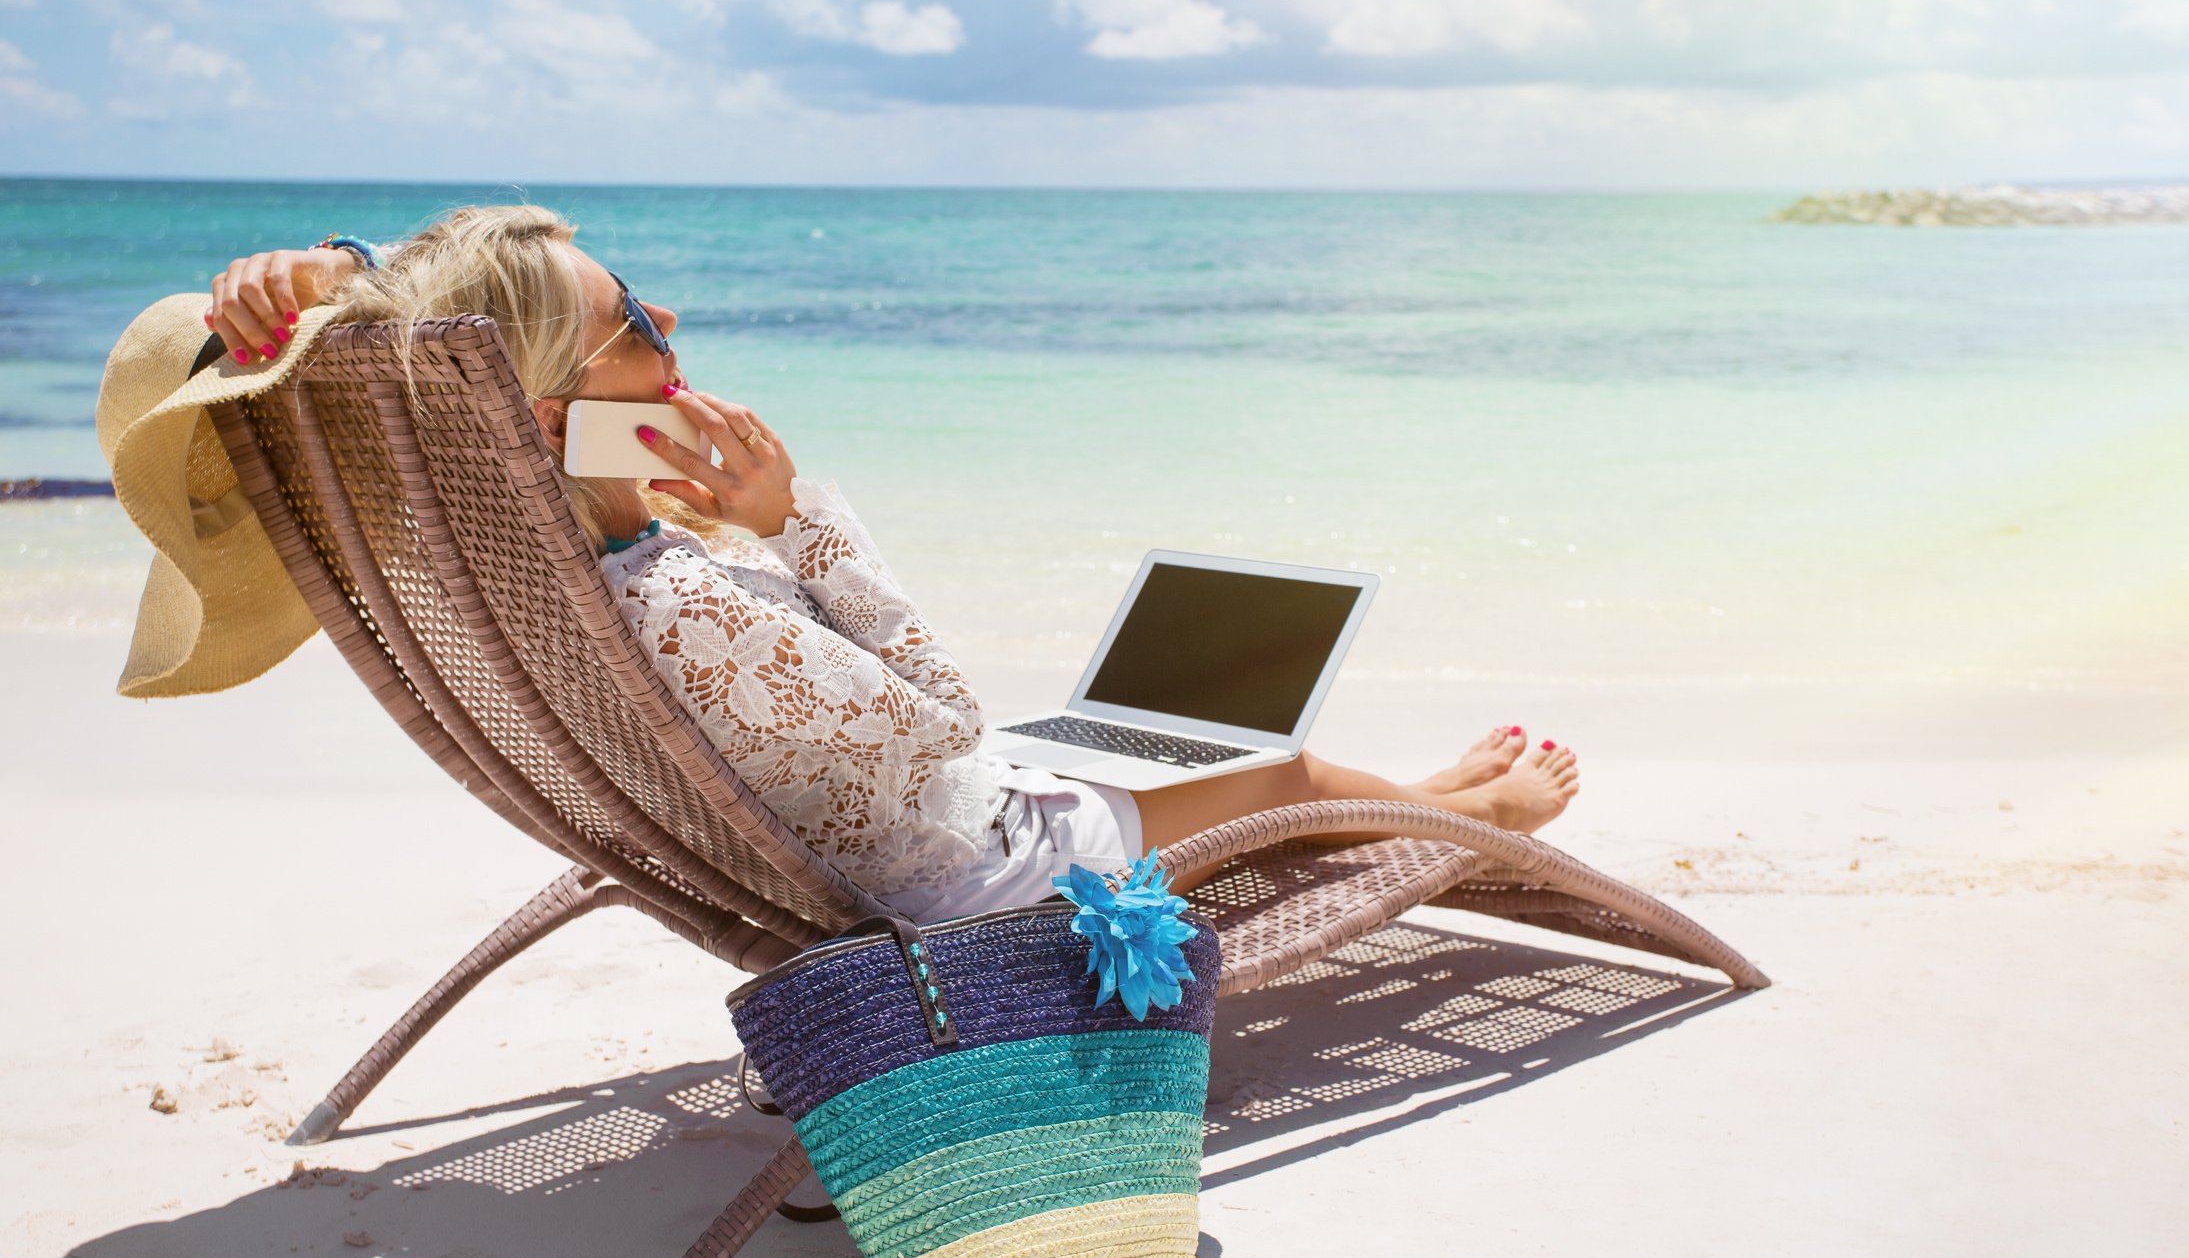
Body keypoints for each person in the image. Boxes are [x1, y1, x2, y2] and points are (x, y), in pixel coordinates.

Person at [203, 205, 1580, 919]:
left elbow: (423, 349)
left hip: (858, 825)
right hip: (961, 868)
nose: (671, 320)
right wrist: (793, 523)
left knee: (1168, 742)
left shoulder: (542, 575)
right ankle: (1474, 821)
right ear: (558, 413)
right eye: (635, 322)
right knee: (1275, 772)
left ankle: (1417, 795)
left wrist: (322, 278)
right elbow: (946, 726)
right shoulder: (681, 595)